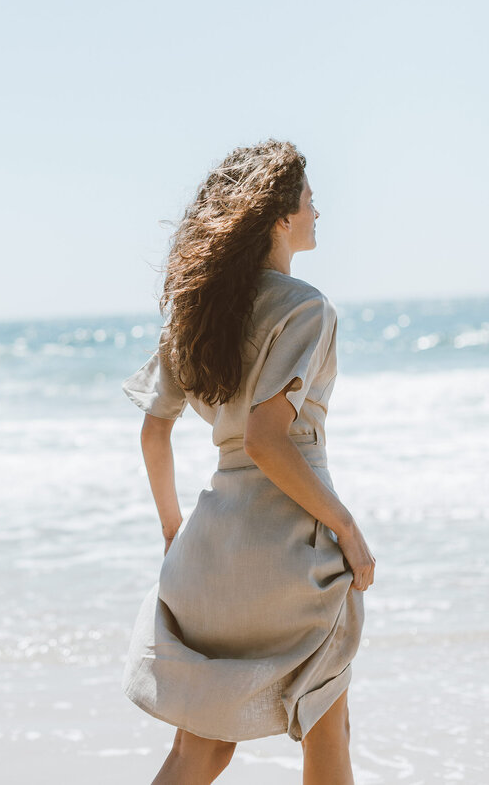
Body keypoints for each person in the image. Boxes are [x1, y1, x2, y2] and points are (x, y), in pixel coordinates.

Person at [120, 139, 376, 785]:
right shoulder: (304, 306)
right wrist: (347, 530)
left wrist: (175, 531)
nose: (319, 214)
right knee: (327, 736)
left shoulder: (195, 312)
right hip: (293, 551)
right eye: (310, 203)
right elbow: (267, 440)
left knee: (199, 750)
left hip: (208, 552)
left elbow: (155, 430)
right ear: (279, 217)